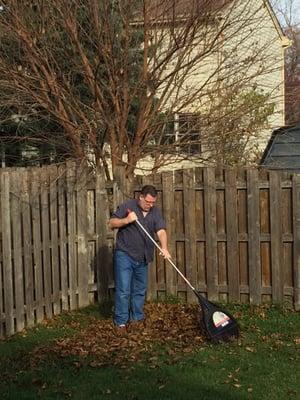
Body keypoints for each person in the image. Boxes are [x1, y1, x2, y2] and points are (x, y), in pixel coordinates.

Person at [108, 185, 171, 329]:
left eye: (153, 202)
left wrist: (164, 247)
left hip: (143, 256)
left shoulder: (155, 212)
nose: (150, 205)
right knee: (124, 289)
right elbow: (111, 223)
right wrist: (126, 220)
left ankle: (136, 318)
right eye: (148, 202)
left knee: (139, 289)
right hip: (125, 254)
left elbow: (161, 231)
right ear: (141, 197)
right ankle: (121, 322)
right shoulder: (127, 206)